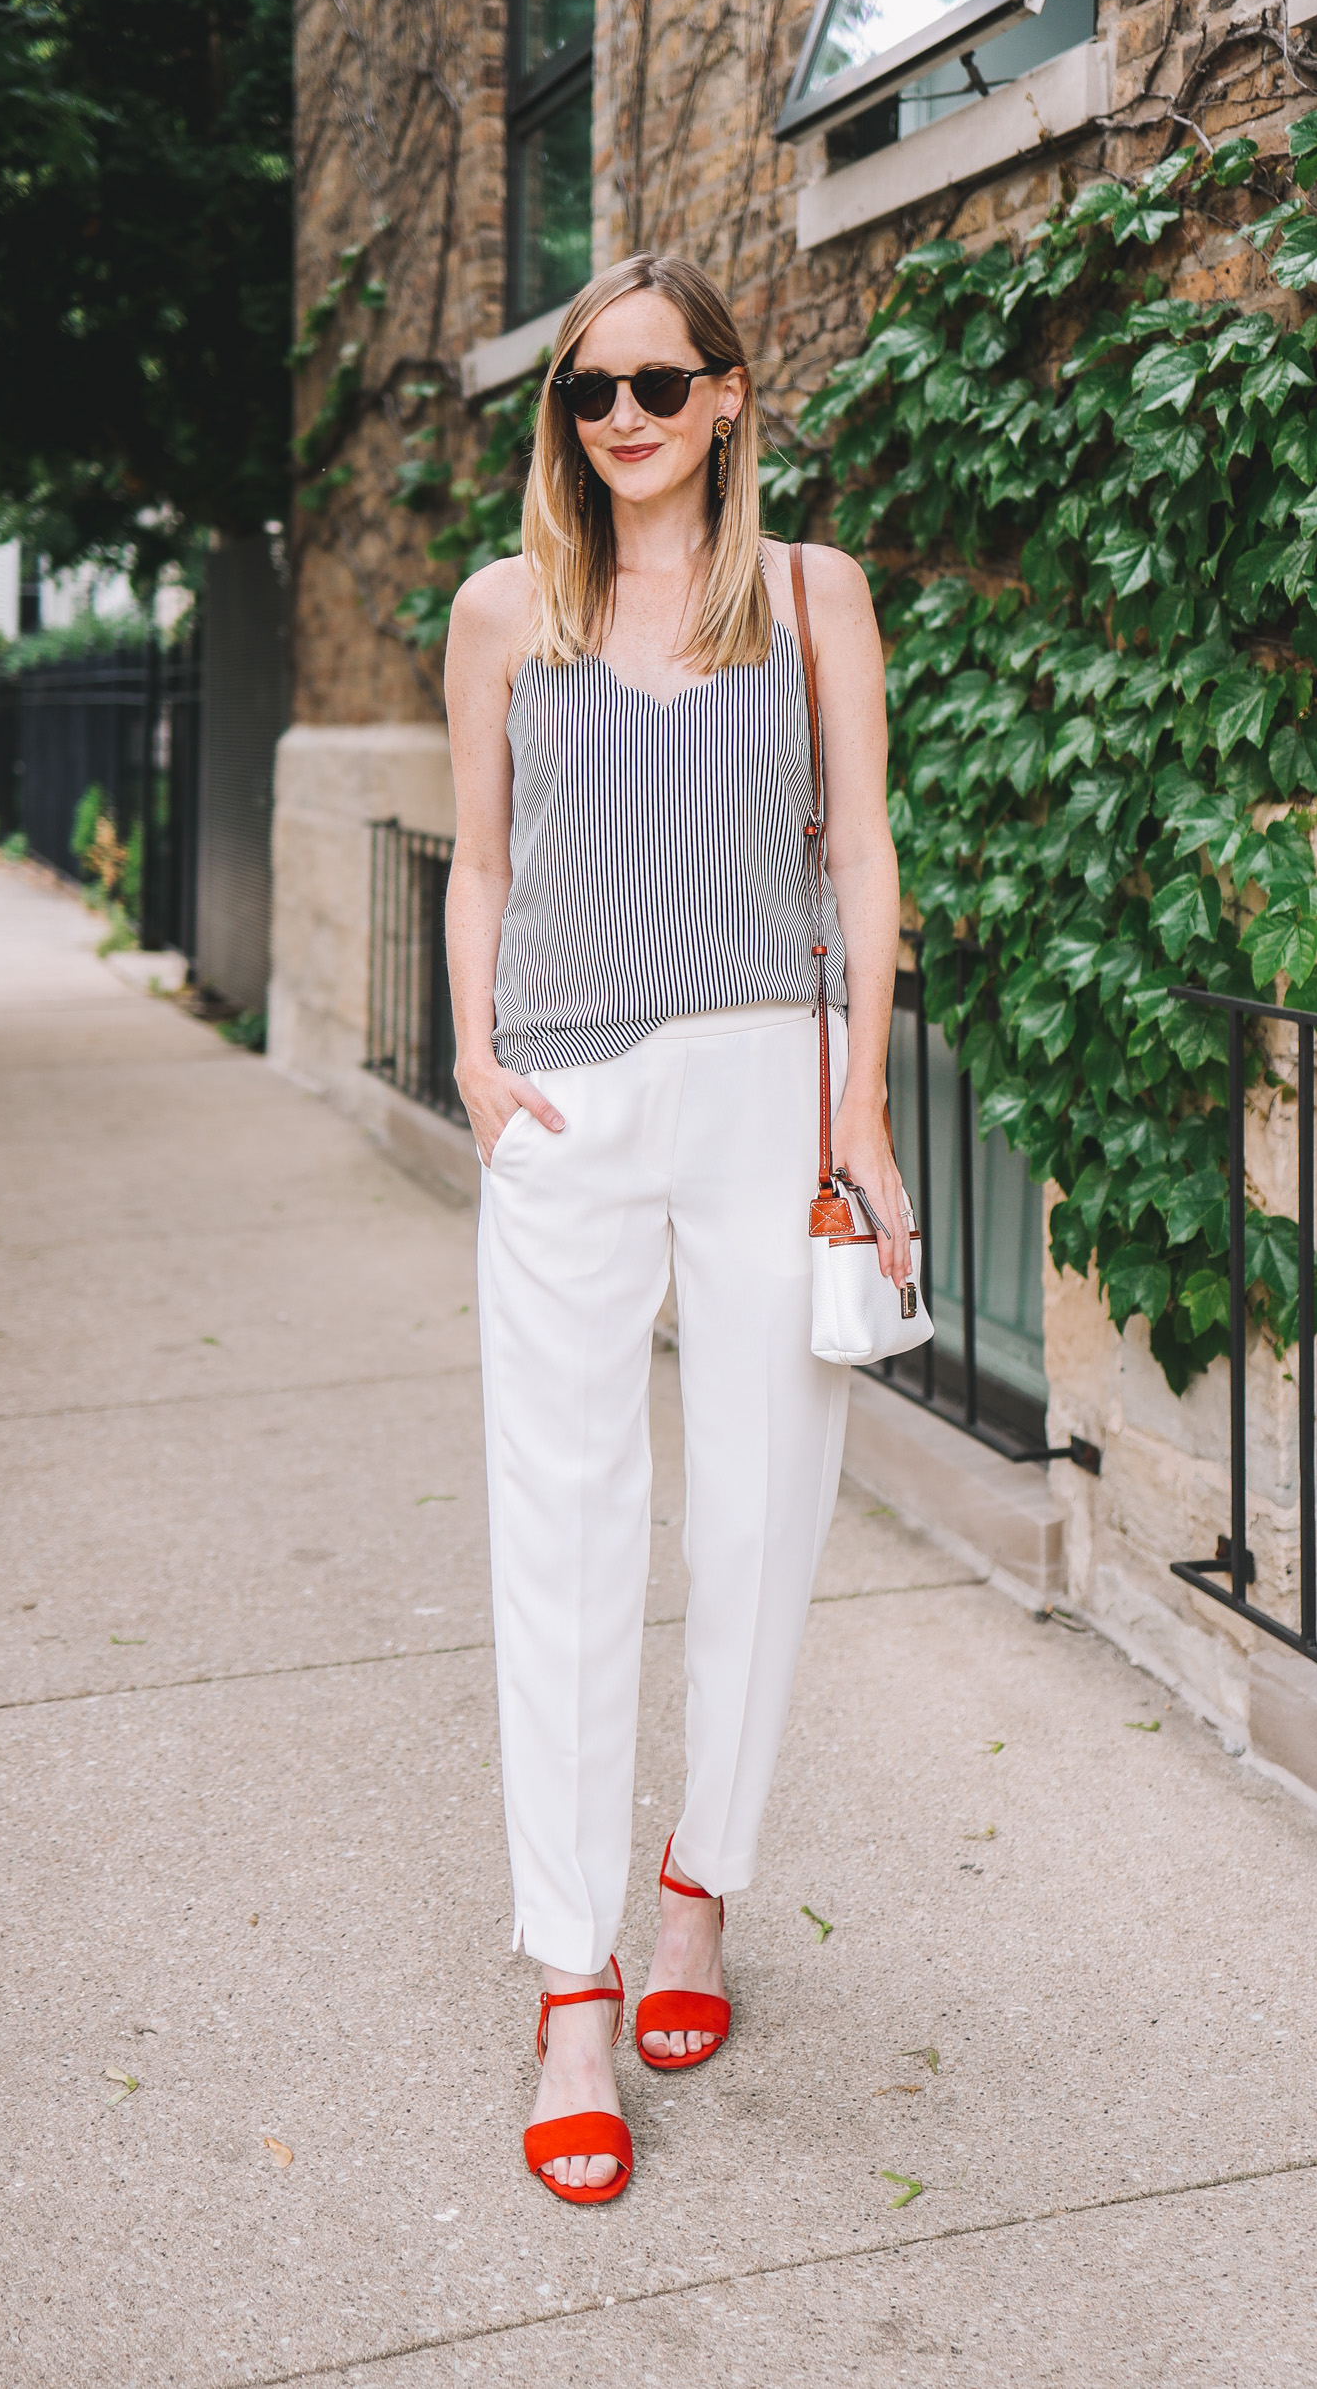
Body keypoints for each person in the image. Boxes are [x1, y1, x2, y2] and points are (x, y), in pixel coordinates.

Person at [443, 251, 911, 2204]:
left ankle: (702, 1885)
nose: (617, 419)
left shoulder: (812, 597)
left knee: (756, 1515)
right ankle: (576, 1985)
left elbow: (863, 847)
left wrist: (865, 1105)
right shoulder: (502, 609)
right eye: (584, 392)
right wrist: (476, 1062)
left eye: (654, 383)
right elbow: (482, 854)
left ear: (729, 396)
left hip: (768, 1085)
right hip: (566, 1096)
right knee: (559, 1533)